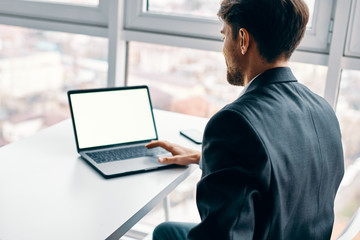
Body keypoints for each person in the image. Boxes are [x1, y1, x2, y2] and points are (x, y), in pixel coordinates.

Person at [146, 0, 344, 239]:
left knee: (165, 233)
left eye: (224, 36)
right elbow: (286, 170)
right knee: (167, 231)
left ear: (243, 39)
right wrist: (207, 158)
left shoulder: (234, 123)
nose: (223, 48)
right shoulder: (323, 110)